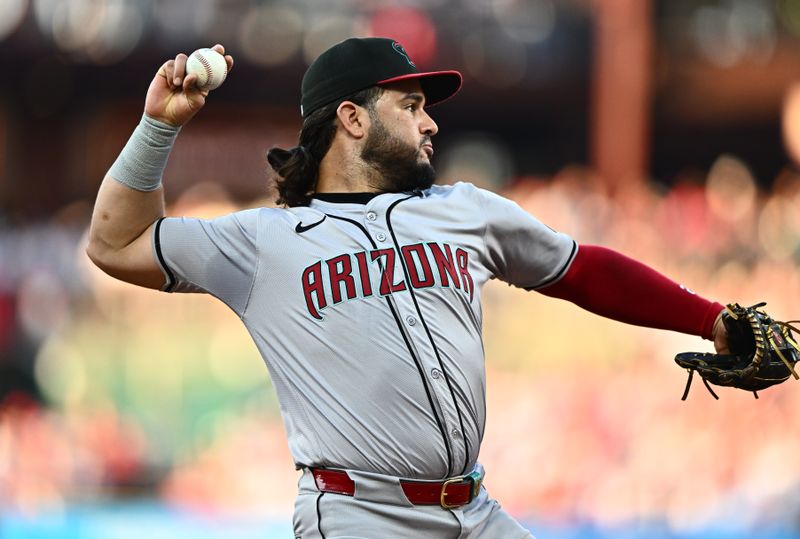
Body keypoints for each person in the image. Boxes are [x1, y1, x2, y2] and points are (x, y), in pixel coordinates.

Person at [87, 37, 729, 538]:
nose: (431, 124)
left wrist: (713, 321)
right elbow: (114, 242)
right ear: (352, 118)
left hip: (474, 510)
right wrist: (158, 127)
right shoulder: (265, 243)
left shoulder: (465, 209)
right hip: (359, 516)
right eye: (411, 105)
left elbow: (583, 270)